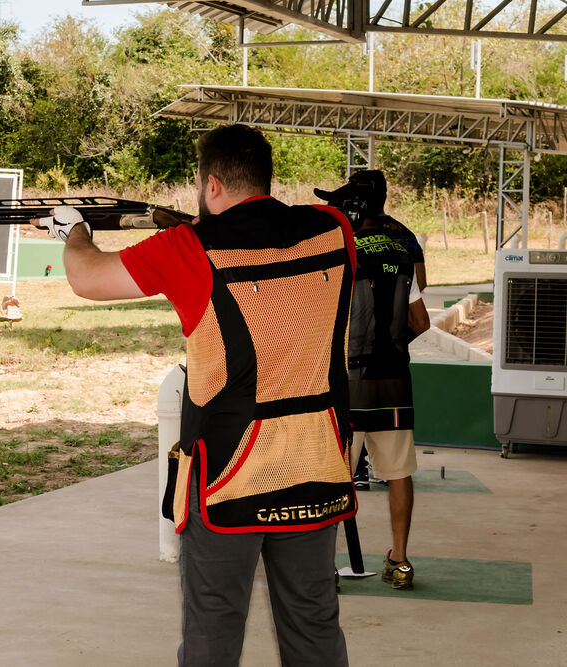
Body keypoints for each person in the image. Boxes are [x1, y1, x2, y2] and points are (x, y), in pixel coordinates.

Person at [34, 124, 356, 666]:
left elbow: (88, 278)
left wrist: (76, 230)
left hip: (229, 473)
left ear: (210, 184)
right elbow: (268, 241)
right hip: (315, 461)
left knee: (213, 625)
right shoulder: (333, 229)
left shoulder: (190, 249)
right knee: (314, 621)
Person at [315, 170, 431, 590]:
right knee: (399, 472)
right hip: (394, 381)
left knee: (332, 476)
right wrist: (393, 343)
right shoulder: (401, 247)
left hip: (345, 384)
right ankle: (399, 562)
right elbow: (420, 320)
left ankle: (323, 566)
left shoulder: (339, 250)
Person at [351, 184, 427, 490]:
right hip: (394, 370)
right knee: (399, 472)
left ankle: (358, 469)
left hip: (353, 368)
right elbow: (421, 288)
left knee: (335, 468)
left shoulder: (347, 246)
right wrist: (392, 337)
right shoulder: (405, 236)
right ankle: (399, 541)